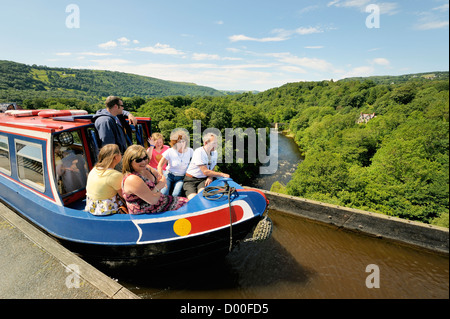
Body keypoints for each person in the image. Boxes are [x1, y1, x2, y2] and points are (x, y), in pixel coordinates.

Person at [122, 145, 188, 214]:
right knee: (187, 208)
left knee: (189, 203)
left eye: (145, 158)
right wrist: (158, 186)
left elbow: (162, 178)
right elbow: (153, 200)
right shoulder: (132, 179)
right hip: (147, 212)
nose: (144, 162)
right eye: (139, 160)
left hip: (161, 202)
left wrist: (154, 191)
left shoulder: (146, 168)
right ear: (129, 162)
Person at [183, 133, 229, 200]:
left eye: (216, 143)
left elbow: (213, 166)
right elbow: (205, 171)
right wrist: (222, 174)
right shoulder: (199, 152)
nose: (216, 145)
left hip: (202, 180)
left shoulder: (214, 152)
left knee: (203, 197)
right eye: (214, 143)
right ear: (205, 143)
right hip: (190, 180)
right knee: (193, 199)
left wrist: (210, 177)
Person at [85, 144, 125, 216]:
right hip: (106, 210)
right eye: (120, 153)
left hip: (92, 207)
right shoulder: (115, 175)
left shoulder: (95, 169)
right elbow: (124, 195)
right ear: (115, 157)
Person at [157, 129, 193, 196]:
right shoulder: (170, 151)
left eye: (183, 141)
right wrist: (162, 177)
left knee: (176, 194)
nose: (181, 143)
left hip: (181, 177)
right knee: (164, 192)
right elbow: (160, 165)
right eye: (179, 142)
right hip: (169, 176)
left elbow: (197, 162)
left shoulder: (190, 151)